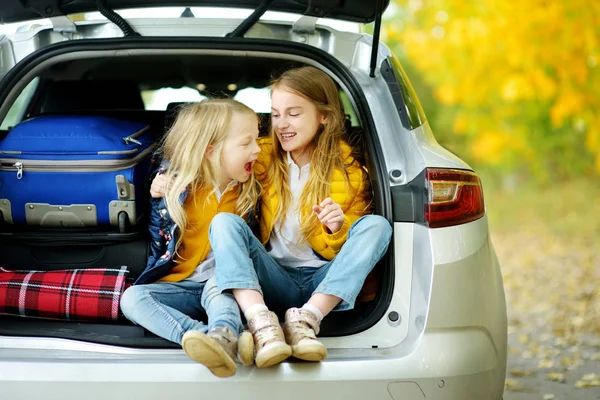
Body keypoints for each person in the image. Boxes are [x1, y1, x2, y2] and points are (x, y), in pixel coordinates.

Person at [207, 66, 393, 368]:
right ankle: (261, 323)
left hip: (325, 281)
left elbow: (345, 254)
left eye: (294, 113)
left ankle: (306, 321)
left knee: (376, 226)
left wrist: (337, 229)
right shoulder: (261, 154)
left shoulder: (350, 172)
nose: (281, 124)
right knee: (224, 223)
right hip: (273, 276)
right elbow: (215, 165)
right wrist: (168, 177)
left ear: (325, 116)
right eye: (276, 114)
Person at [120, 99, 262, 378]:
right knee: (132, 298)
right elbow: (157, 237)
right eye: (246, 143)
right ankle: (209, 338)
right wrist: (158, 190)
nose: (257, 149)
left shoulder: (252, 188)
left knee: (220, 287)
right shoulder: (176, 187)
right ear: (211, 151)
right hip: (181, 285)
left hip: (225, 284)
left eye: (258, 140)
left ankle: (224, 333)